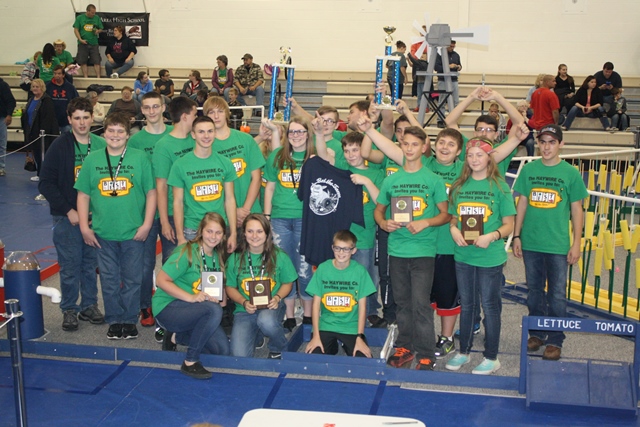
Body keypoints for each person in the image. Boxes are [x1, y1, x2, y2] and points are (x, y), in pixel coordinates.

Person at [374, 126, 450, 371]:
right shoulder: (392, 179)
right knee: (402, 302)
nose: (409, 149)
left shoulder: (433, 179)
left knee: (420, 303)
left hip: (423, 251)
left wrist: (425, 221)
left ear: (424, 147)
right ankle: (405, 345)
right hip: (397, 250)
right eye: (405, 144)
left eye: (414, 144)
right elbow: (379, 209)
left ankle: (427, 352)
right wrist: (384, 223)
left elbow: (445, 215)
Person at [75, 112, 156, 340]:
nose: (115, 135)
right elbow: (82, 195)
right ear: (104, 132)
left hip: (133, 231)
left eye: (121, 131)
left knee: (133, 279)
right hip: (103, 232)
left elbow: (151, 193)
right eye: (111, 130)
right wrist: (84, 226)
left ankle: (129, 320)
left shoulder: (140, 158)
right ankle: (114, 319)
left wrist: (147, 224)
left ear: (128, 135)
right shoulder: (92, 159)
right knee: (109, 279)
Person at [513, 124, 588, 361]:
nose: (546, 147)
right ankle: (537, 332)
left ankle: (555, 339)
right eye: (542, 142)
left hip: (557, 245)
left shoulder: (570, 173)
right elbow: (522, 203)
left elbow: (577, 209)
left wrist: (576, 242)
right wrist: (516, 235)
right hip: (532, 242)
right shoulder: (529, 170)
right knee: (534, 292)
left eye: (552, 142)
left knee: (556, 294)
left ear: (561, 144)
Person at [445, 137, 516, 375]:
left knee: (490, 306)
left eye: (479, 154)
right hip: (464, 255)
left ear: (489, 158)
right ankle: (463, 351)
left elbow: (509, 224)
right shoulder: (459, 186)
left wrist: (493, 235)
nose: (475, 159)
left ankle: (491, 356)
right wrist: (453, 229)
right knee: (467, 305)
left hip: (489, 258)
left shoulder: (499, 186)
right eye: (470, 155)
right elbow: (454, 217)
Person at [38, 97, 106, 331]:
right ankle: (69, 308)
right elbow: (45, 183)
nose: (82, 122)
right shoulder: (60, 145)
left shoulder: (100, 144)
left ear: (92, 118)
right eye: (76, 118)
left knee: (90, 264)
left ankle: (89, 305)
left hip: (95, 218)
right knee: (70, 265)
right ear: (69, 120)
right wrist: (69, 210)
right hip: (67, 217)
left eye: (86, 117)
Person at [153, 212, 231, 379]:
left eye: (218, 233)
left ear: (223, 235)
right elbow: (161, 280)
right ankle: (190, 361)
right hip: (169, 306)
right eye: (209, 231)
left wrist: (218, 295)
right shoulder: (187, 250)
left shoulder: (218, 258)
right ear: (201, 231)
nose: (213, 236)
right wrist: (191, 298)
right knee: (212, 311)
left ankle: (175, 336)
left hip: (194, 310)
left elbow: (222, 303)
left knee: (221, 351)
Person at [263, 117, 315, 331]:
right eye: (292, 132)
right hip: (280, 218)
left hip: (306, 219)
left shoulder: (314, 158)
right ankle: (289, 314)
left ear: (307, 134)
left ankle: (310, 314)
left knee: (304, 269)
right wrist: (266, 217)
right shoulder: (277, 155)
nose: (295, 136)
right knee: (284, 266)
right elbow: (270, 188)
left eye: (300, 132)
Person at [128, 91, 173, 327]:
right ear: (142, 110)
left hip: (173, 212)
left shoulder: (178, 135)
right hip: (145, 213)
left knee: (172, 260)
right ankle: (145, 305)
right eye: (147, 107)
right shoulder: (134, 142)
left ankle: (169, 304)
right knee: (144, 265)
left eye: (156, 106)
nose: (152, 111)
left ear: (164, 108)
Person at [226, 214, 297, 359]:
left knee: (266, 321)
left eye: (259, 231)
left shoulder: (280, 256)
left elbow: (288, 283)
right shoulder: (235, 258)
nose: (254, 236)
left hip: (271, 306)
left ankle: (278, 347)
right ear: (244, 233)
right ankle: (257, 335)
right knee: (239, 356)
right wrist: (244, 302)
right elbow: (230, 288)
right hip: (244, 309)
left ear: (267, 233)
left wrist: (277, 298)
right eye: (250, 231)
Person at [305, 230, 376, 357]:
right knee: (314, 358)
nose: (341, 253)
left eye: (346, 249)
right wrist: (315, 336)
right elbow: (315, 305)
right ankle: (332, 346)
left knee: (363, 360)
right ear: (332, 248)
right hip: (326, 325)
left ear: (353, 250)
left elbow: (363, 307)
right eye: (337, 248)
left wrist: (360, 336)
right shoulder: (323, 268)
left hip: (351, 327)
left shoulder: (360, 271)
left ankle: (345, 343)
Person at [169, 116, 238, 247]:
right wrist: (180, 236)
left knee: (219, 267)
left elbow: (230, 199)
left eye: (210, 131)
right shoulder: (180, 165)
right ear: (193, 135)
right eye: (201, 132)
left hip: (218, 230)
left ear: (215, 133)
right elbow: (177, 202)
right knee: (193, 267)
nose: (206, 136)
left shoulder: (226, 163)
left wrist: (233, 233)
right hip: (192, 230)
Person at [203, 97, 265, 228]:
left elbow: (256, 178)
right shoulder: (205, 146)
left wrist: (244, 210)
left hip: (250, 211)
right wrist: (232, 211)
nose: (216, 116)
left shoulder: (246, 139)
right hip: (221, 215)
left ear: (227, 112)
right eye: (211, 112)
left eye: (220, 111)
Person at [152, 96, 197, 267]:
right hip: (172, 213)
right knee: (175, 263)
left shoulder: (195, 139)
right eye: (194, 114)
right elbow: (161, 186)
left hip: (194, 210)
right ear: (185, 116)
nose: (195, 119)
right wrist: (164, 221)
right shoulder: (164, 146)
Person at [21, 79, 59, 182]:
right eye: (33, 86)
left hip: (43, 134)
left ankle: (46, 174)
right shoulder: (31, 99)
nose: (35, 89)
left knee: (44, 154)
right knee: (37, 154)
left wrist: (42, 132)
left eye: (37, 86)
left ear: (42, 87)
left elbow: (48, 118)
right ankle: (39, 173)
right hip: (32, 132)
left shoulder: (46, 100)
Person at [73, 3, 104, 78]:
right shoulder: (80, 18)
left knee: (96, 61)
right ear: (87, 11)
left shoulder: (96, 18)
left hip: (94, 43)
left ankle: (98, 77)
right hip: (83, 42)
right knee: (83, 61)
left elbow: (101, 28)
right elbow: (76, 29)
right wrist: (80, 39)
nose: (93, 14)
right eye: (92, 12)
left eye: (94, 12)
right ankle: (86, 77)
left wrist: (97, 31)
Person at [46, 65, 79, 134]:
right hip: (52, 121)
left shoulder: (70, 87)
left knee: (67, 141)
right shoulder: (48, 87)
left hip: (66, 121)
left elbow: (76, 101)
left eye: (59, 73)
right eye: (55, 73)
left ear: (63, 75)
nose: (57, 75)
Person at [434, 40, 462, 107]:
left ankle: (455, 116)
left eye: (453, 46)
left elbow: (460, 66)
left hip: (453, 79)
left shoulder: (456, 55)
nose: (452, 48)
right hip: (443, 79)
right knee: (442, 100)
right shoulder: (440, 55)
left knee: (456, 101)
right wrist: (448, 66)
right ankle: (440, 117)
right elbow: (436, 67)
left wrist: (458, 66)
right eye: (451, 46)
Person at [0, 77, 16, 176]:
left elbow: (11, 101)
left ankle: (1, 167)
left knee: (1, 143)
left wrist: (9, 115)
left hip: (1, 118)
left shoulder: (3, 85)